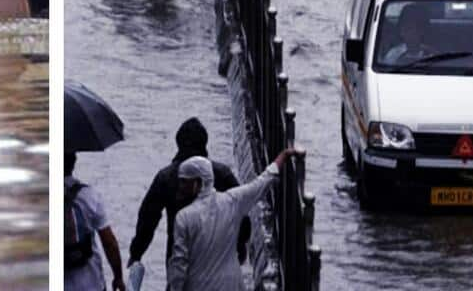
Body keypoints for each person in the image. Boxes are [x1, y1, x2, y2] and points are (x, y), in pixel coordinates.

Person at [166, 149, 299, 291]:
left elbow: (179, 265)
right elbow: (262, 182)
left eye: (184, 182)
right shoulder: (232, 201)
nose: (180, 187)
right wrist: (283, 156)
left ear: (197, 183)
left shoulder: (184, 218)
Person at [130, 118, 246, 271]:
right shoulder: (221, 174)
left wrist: (136, 253)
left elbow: (148, 218)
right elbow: (241, 211)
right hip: (216, 260)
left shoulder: (166, 178)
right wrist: (240, 244)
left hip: (178, 260)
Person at [64, 161, 128, 291]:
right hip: (91, 283)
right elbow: (109, 242)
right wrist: (118, 277)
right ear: (73, 162)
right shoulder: (89, 195)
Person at [377, 2, 440, 67]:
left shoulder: (432, 54)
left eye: (411, 28)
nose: (407, 33)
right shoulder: (394, 54)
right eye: (404, 28)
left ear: (422, 31)